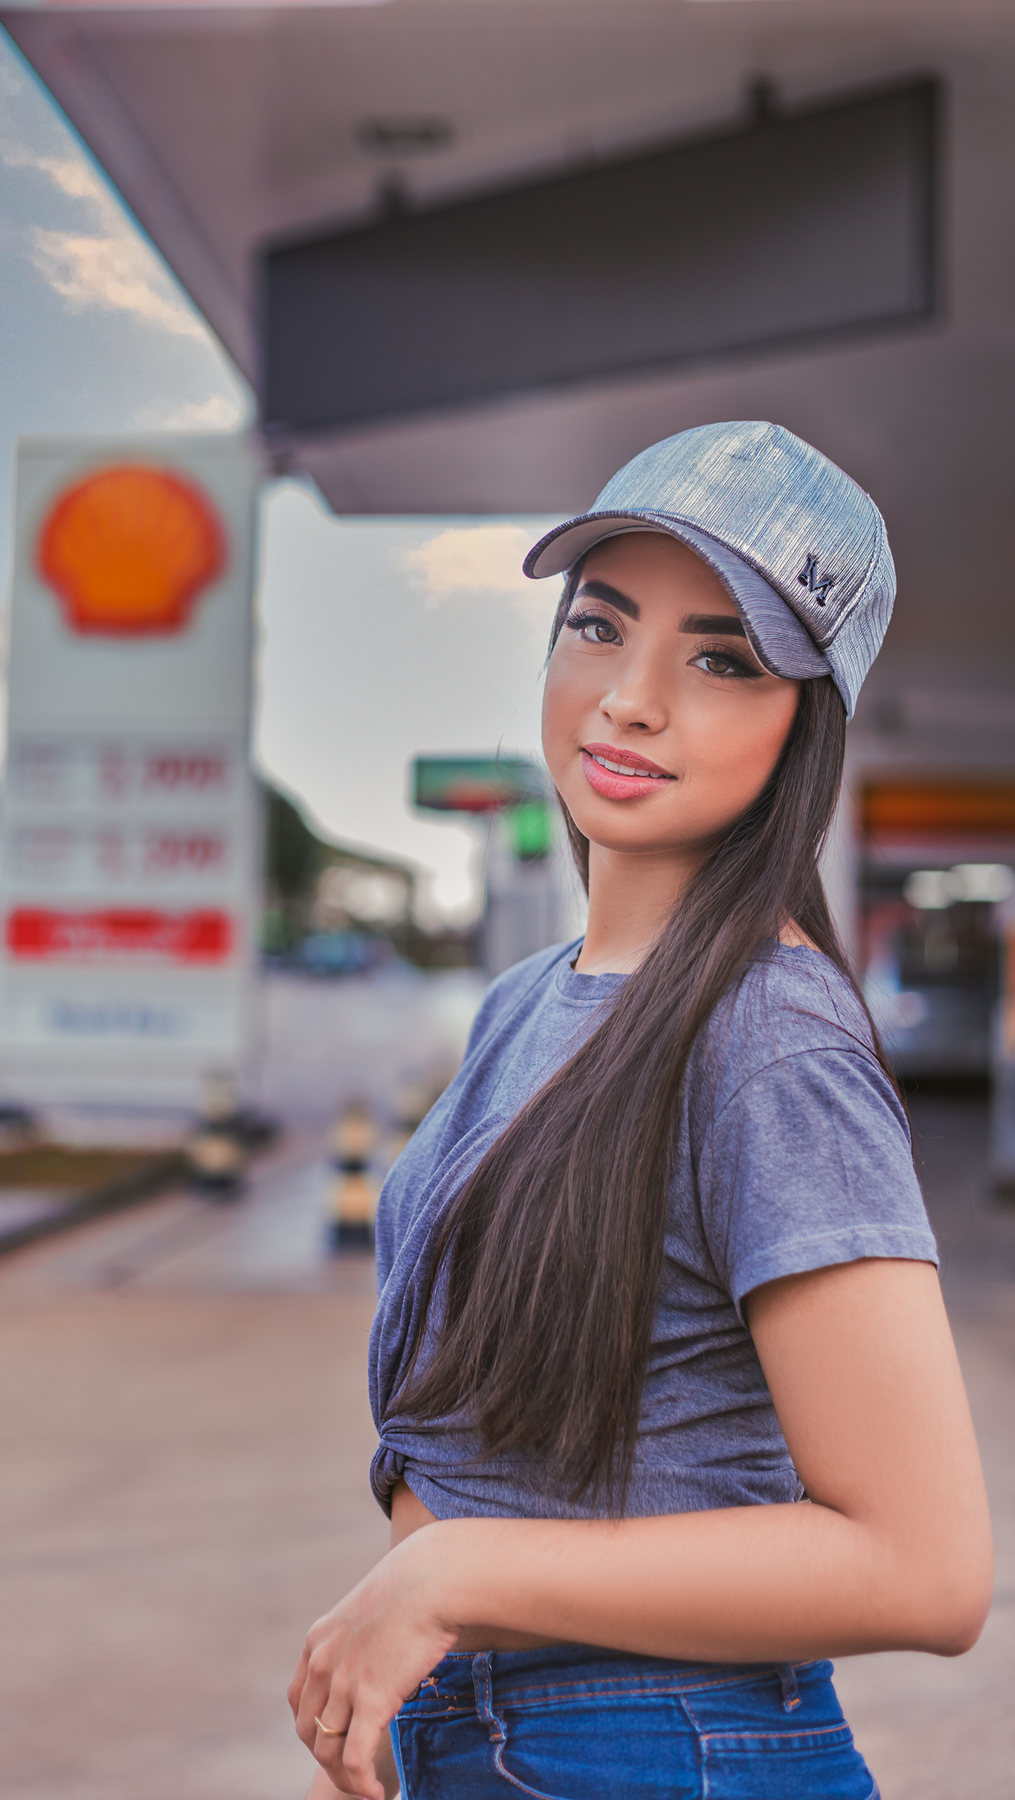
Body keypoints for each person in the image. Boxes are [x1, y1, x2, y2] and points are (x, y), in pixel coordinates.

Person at [289, 421, 993, 1800]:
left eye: (723, 660)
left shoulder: (770, 1039)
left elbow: (927, 1567)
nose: (629, 699)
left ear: (805, 726)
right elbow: (468, 1440)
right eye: (599, 627)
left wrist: (450, 1577)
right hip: (479, 1741)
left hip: (667, 1749)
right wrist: (397, 1665)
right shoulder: (525, 1003)